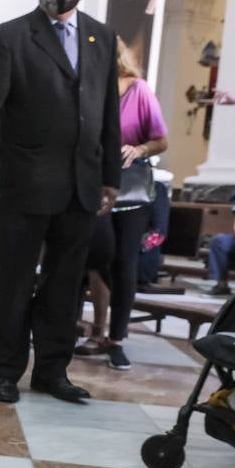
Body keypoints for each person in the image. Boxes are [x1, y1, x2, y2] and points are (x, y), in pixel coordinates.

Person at [0, 0, 121, 405]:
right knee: (14, 280)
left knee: (64, 282)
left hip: (81, 183)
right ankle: (7, 371)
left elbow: (108, 112)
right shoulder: (10, 36)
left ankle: (53, 370)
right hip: (22, 178)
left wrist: (111, 174)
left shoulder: (101, 37)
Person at [74, 40, 169, 371]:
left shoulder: (137, 88)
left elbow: (161, 139)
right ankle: (94, 329)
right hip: (90, 184)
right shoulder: (82, 88)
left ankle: (116, 339)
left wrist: (139, 149)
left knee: (124, 261)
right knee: (97, 257)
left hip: (129, 187)